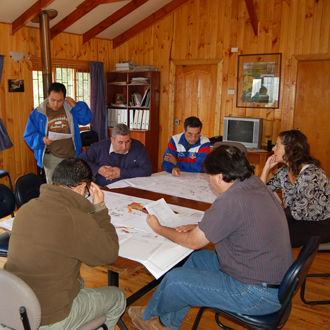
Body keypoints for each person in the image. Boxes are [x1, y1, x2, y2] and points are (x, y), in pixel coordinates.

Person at [128, 145, 293, 330]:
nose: (209, 181)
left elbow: (193, 241)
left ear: (220, 177)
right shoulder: (253, 183)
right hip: (272, 281)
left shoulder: (231, 199)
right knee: (195, 260)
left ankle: (149, 317)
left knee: (176, 280)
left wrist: (159, 228)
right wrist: (203, 227)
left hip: (256, 294)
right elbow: (237, 222)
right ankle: (165, 323)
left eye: (210, 176)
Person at [4, 158, 126, 329]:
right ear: (82, 186)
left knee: (79, 281)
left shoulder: (26, 209)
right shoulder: (76, 220)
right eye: (87, 192)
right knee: (118, 297)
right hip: (48, 318)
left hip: (13, 306)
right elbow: (109, 253)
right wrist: (99, 209)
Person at [261, 129, 330, 248]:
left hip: (320, 223)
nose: (273, 149)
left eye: (277, 146)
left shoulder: (311, 174)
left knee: (272, 234)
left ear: (290, 150)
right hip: (300, 220)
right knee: (262, 228)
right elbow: (260, 192)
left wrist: (269, 215)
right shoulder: (284, 171)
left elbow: (297, 212)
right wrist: (266, 169)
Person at [23, 82, 93, 183]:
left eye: (60, 100)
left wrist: (76, 106)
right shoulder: (38, 113)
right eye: (53, 100)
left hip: (72, 155)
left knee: (73, 186)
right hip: (52, 158)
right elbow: (29, 135)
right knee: (55, 190)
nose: (56, 104)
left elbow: (86, 119)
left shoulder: (70, 109)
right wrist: (42, 139)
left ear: (65, 98)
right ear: (48, 97)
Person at [79, 123, 152, 187]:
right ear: (112, 140)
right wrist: (98, 169)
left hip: (133, 188)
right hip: (104, 188)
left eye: (127, 142)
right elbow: (80, 161)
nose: (124, 146)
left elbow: (147, 170)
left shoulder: (137, 146)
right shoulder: (99, 147)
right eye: (120, 142)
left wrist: (121, 173)